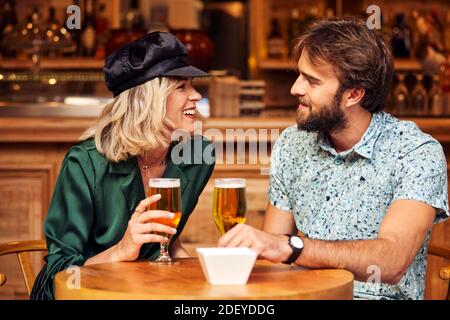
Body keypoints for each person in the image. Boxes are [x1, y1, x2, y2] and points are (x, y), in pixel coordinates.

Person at [218, 17, 449, 300]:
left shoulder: (416, 153)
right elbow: (272, 259)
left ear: (353, 94)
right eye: (299, 74)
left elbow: (390, 262)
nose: (295, 88)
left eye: (311, 81)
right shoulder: (292, 144)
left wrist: (292, 247)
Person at [31, 32, 215, 300]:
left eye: (192, 84)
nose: (196, 95)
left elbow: (164, 243)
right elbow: (58, 277)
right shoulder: (85, 163)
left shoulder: (196, 156)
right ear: (148, 98)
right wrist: (121, 251)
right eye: (181, 87)